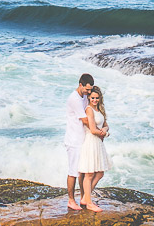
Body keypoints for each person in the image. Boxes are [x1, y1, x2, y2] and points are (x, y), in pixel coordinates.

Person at [64, 73, 103, 210]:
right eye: (87, 89)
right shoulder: (74, 99)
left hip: (83, 139)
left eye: (90, 89)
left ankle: (84, 198)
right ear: (80, 85)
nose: (88, 92)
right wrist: (99, 131)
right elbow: (86, 120)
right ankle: (70, 200)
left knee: (83, 171)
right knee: (73, 171)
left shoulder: (84, 96)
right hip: (74, 140)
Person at [78, 85, 111, 212]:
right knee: (89, 173)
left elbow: (106, 125)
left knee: (100, 172)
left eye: (97, 98)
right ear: (89, 98)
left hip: (98, 143)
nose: (95, 100)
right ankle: (89, 202)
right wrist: (104, 133)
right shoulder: (89, 110)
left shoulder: (100, 109)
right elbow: (92, 130)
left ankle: (85, 198)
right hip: (90, 142)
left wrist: (105, 129)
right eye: (92, 98)